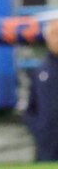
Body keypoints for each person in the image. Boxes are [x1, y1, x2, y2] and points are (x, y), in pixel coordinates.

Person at [25, 18, 58, 161]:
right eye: (55, 34)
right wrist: (40, 129)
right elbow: (31, 108)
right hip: (48, 146)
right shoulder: (41, 71)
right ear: (48, 38)